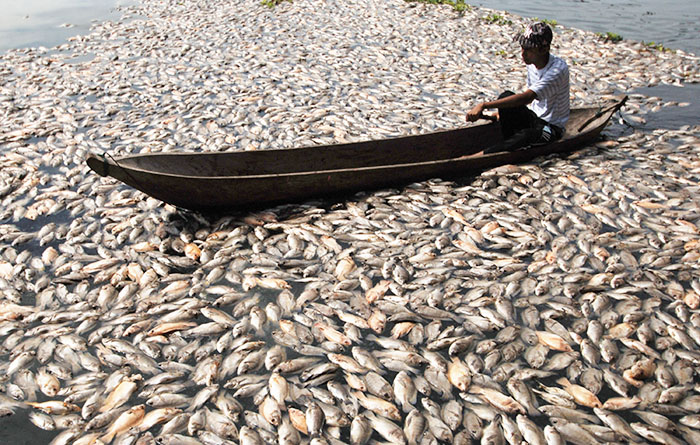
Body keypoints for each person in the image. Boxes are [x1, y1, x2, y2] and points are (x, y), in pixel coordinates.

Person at [466, 22, 570, 154]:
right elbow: (531, 104)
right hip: (534, 118)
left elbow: (527, 98)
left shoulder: (557, 70)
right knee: (506, 95)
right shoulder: (532, 63)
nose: (523, 54)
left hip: (551, 129)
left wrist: (484, 105)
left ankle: (480, 155)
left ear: (544, 49)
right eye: (522, 48)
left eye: (528, 49)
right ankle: (512, 143)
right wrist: (498, 114)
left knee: (528, 136)